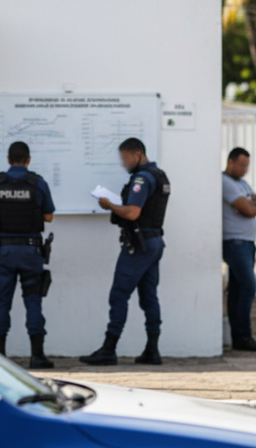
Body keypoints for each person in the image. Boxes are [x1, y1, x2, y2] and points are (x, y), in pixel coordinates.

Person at [80, 138, 170, 366]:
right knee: (149, 295)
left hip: (139, 245)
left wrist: (110, 205)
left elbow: (132, 213)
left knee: (119, 294)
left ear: (137, 154)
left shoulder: (142, 178)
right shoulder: (160, 176)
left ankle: (109, 349)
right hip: (154, 242)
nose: (123, 163)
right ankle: (152, 350)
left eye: (125, 158)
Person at [0, 142, 55, 368]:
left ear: (8, 159)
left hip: (4, 251)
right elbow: (48, 217)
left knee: (2, 302)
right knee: (33, 301)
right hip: (31, 251)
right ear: (28, 160)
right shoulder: (38, 183)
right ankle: (37, 356)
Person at [222, 147, 256, 351]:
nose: (245, 169)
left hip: (247, 243)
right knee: (248, 286)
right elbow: (250, 209)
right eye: (242, 165)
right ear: (230, 162)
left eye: (247, 165)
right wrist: (252, 205)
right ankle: (242, 336)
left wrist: (253, 205)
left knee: (238, 289)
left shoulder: (242, 183)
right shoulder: (225, 182)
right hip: (235, 242)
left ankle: (239, 337)